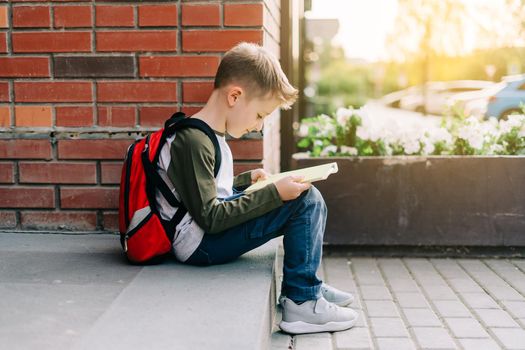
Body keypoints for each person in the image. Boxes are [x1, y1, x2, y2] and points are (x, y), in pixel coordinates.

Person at [156, 42, 358, 335]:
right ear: (235, 96)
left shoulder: (206, 135)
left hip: (203, 233)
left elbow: (202, 190)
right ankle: (302, 300)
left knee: (301, 192)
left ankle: (304, 280)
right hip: (199, 244)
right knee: (305, 200)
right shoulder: (194, 140)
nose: (258, 126)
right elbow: (210, 218)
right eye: (261, 114)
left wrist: (245, 182)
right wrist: (274, 194)